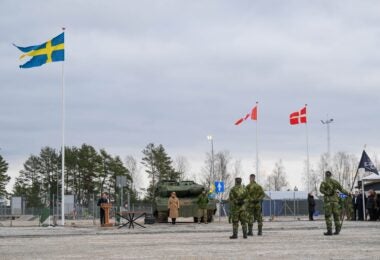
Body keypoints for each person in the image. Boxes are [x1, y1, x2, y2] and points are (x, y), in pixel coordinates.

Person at [319, 171, 350, 235]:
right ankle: (337, 230)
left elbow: (321, 190)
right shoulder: (335, 182)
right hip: (335, 202)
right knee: (336, 216)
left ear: (326, 175)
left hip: (328, 202)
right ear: (331, 175)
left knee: (328, 216)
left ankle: (329, 231)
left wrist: (327, 193)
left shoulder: (324, 182)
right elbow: (342, 189)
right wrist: (347, 193)